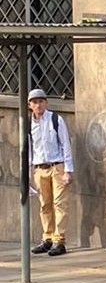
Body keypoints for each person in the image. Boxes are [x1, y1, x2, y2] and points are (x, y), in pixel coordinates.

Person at [27, 89, 74, 256]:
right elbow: (29, 148)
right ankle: (47, 238)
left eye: (41, 101)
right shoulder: (28, 123)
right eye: (35, 102)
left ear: (46, 103)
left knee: (59, 203)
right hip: (40, 168)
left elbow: (65, 144)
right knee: (44, 204)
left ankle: (59, 240)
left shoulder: (55, 119)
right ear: (30, 105)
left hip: (57, 166)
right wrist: (29, 170)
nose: (38, 105)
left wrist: (68, 170)